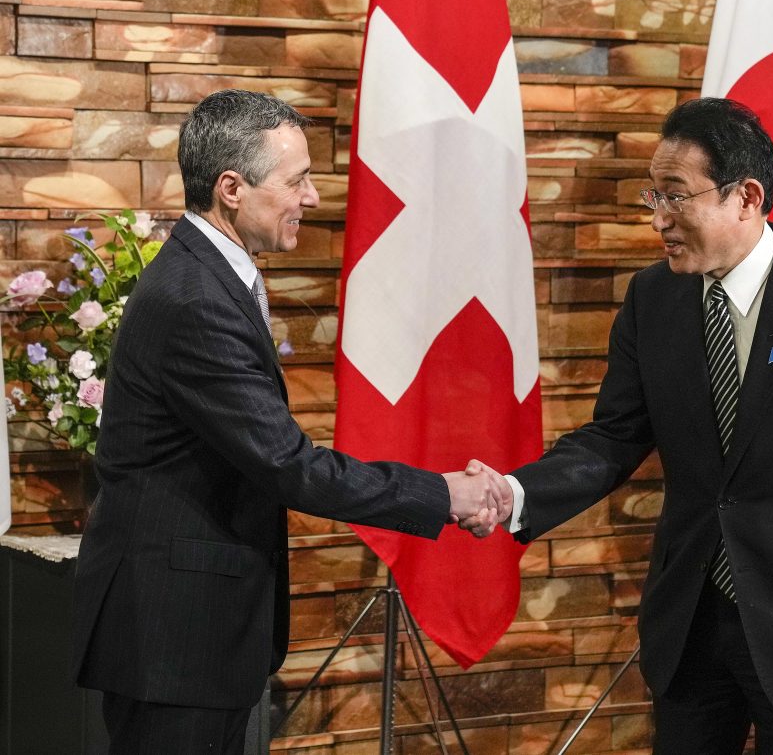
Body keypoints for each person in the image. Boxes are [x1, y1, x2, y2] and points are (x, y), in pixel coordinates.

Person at [467, 98, 773, 753]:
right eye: (653, 197)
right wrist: (515, 493)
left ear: (746, 197)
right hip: (692, 623)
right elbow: (613, 438)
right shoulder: (653, 297)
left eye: (675, 198)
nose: (657, 220)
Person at [71, 89, 507, 754]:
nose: (313, 197)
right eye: (297, 179)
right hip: (173, 639)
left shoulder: (210, 275)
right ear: (231, 189)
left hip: (191, 634)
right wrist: (445, 493)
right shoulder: (194, 299)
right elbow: (288, 466)